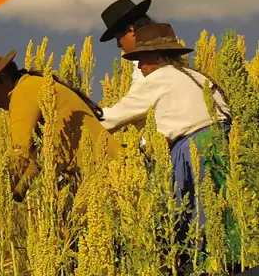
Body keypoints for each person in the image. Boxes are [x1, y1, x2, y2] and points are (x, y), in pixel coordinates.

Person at [99, 22, 234, 248]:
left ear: (159, 57)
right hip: (225, 142)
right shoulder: (196, 76)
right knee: (228, 216)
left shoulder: (157, 79)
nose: (140, 66)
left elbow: (112, 119)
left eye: (142, 59)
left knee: (195, 226)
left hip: (192, 152)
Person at [0, 49, 121, 202]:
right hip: (112, 173)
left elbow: (20, 154)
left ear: (3, 78)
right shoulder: (34, 84)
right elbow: (36, 159)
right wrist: (17, 193)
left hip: (109, 180)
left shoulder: (23, 92)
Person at [99, 0, 156, 84]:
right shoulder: (140, 64)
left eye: (119, 38)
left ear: (131, 30)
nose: (118, 45)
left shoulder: (153, 64)